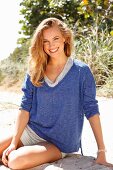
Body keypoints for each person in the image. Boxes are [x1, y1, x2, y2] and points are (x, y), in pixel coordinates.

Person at [0, 17, 113, 170]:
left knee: (15, 160)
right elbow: (24, 108)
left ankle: (25, 153)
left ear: (65, 38)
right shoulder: (36, 70)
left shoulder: (81, 71)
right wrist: (14, 142)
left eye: (55, 38)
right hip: (32, 131)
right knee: (8, 151)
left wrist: (101, 151)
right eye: (45, 41)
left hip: (59, 142)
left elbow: (92, 111)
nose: (51, 45)